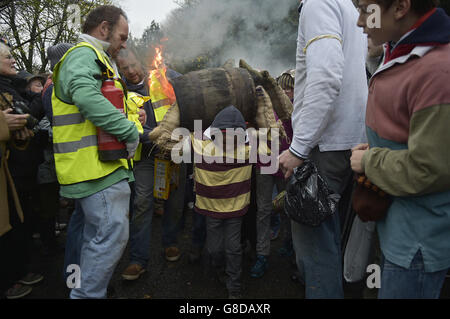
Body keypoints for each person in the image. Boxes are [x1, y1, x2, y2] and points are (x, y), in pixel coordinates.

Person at [351, 0, 450, 299]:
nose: (359, 22)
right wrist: (382, 146)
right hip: (399, 228)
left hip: (416, 243)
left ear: (401, 7)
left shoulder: (436, 71)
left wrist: (370, 159)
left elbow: (429, 168)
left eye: (367, 9)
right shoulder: (405, 51)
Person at [278, 0, 368, 298]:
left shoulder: (319, 3)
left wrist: (299, 148)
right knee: (332, 248)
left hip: (322, 148)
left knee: (316, 257)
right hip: (349, 143)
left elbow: (327, 75)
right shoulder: (348, 6)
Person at [53, 5, 139, 299]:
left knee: (95, 239)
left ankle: (85, 292)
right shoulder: (83, 54)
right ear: (104, 29)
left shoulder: (98, 59)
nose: (124, 44)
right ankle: (87, 296)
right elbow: (85, 94)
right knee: (109, 236)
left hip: (99, 169)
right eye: (122, 36)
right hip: (95, 170)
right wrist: (128, 131)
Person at [116, 48, 185, 281]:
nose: (131, 72)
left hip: (173, 150)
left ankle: (170, 243)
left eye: (133, 65)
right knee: (142, 202)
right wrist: (150, 136)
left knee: (174, 200)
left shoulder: (164, 75)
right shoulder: (118, 90)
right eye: (125, 68)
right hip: (144, 153)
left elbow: (190, 94)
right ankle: (138, 259)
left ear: (141, 61)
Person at [192, 105, 252, 299]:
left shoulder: (248, 150)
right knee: (214, 249)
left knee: (232, 249)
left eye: (234, 136)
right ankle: (220, 271)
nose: (228, 140)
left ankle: (234, 286)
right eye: (224, 135)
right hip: (212, 210)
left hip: (235, 210)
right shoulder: (201, 145)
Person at [0, 38, 43, 299]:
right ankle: (7, 280)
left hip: (20, 169)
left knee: (20, 222)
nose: (14, 59)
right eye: (7, 56)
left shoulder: (9, 87)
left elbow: (27, 116)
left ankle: (17, 271)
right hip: (9, 170)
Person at [250, 70, 294, 278]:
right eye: (283, 87)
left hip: (288, 163)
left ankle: (290, 244)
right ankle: (262, 255)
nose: (286, 91)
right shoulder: (262, 106)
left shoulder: (296, 109)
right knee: (263, 209)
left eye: (290, 87)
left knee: (290, 206)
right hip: (264, 162)